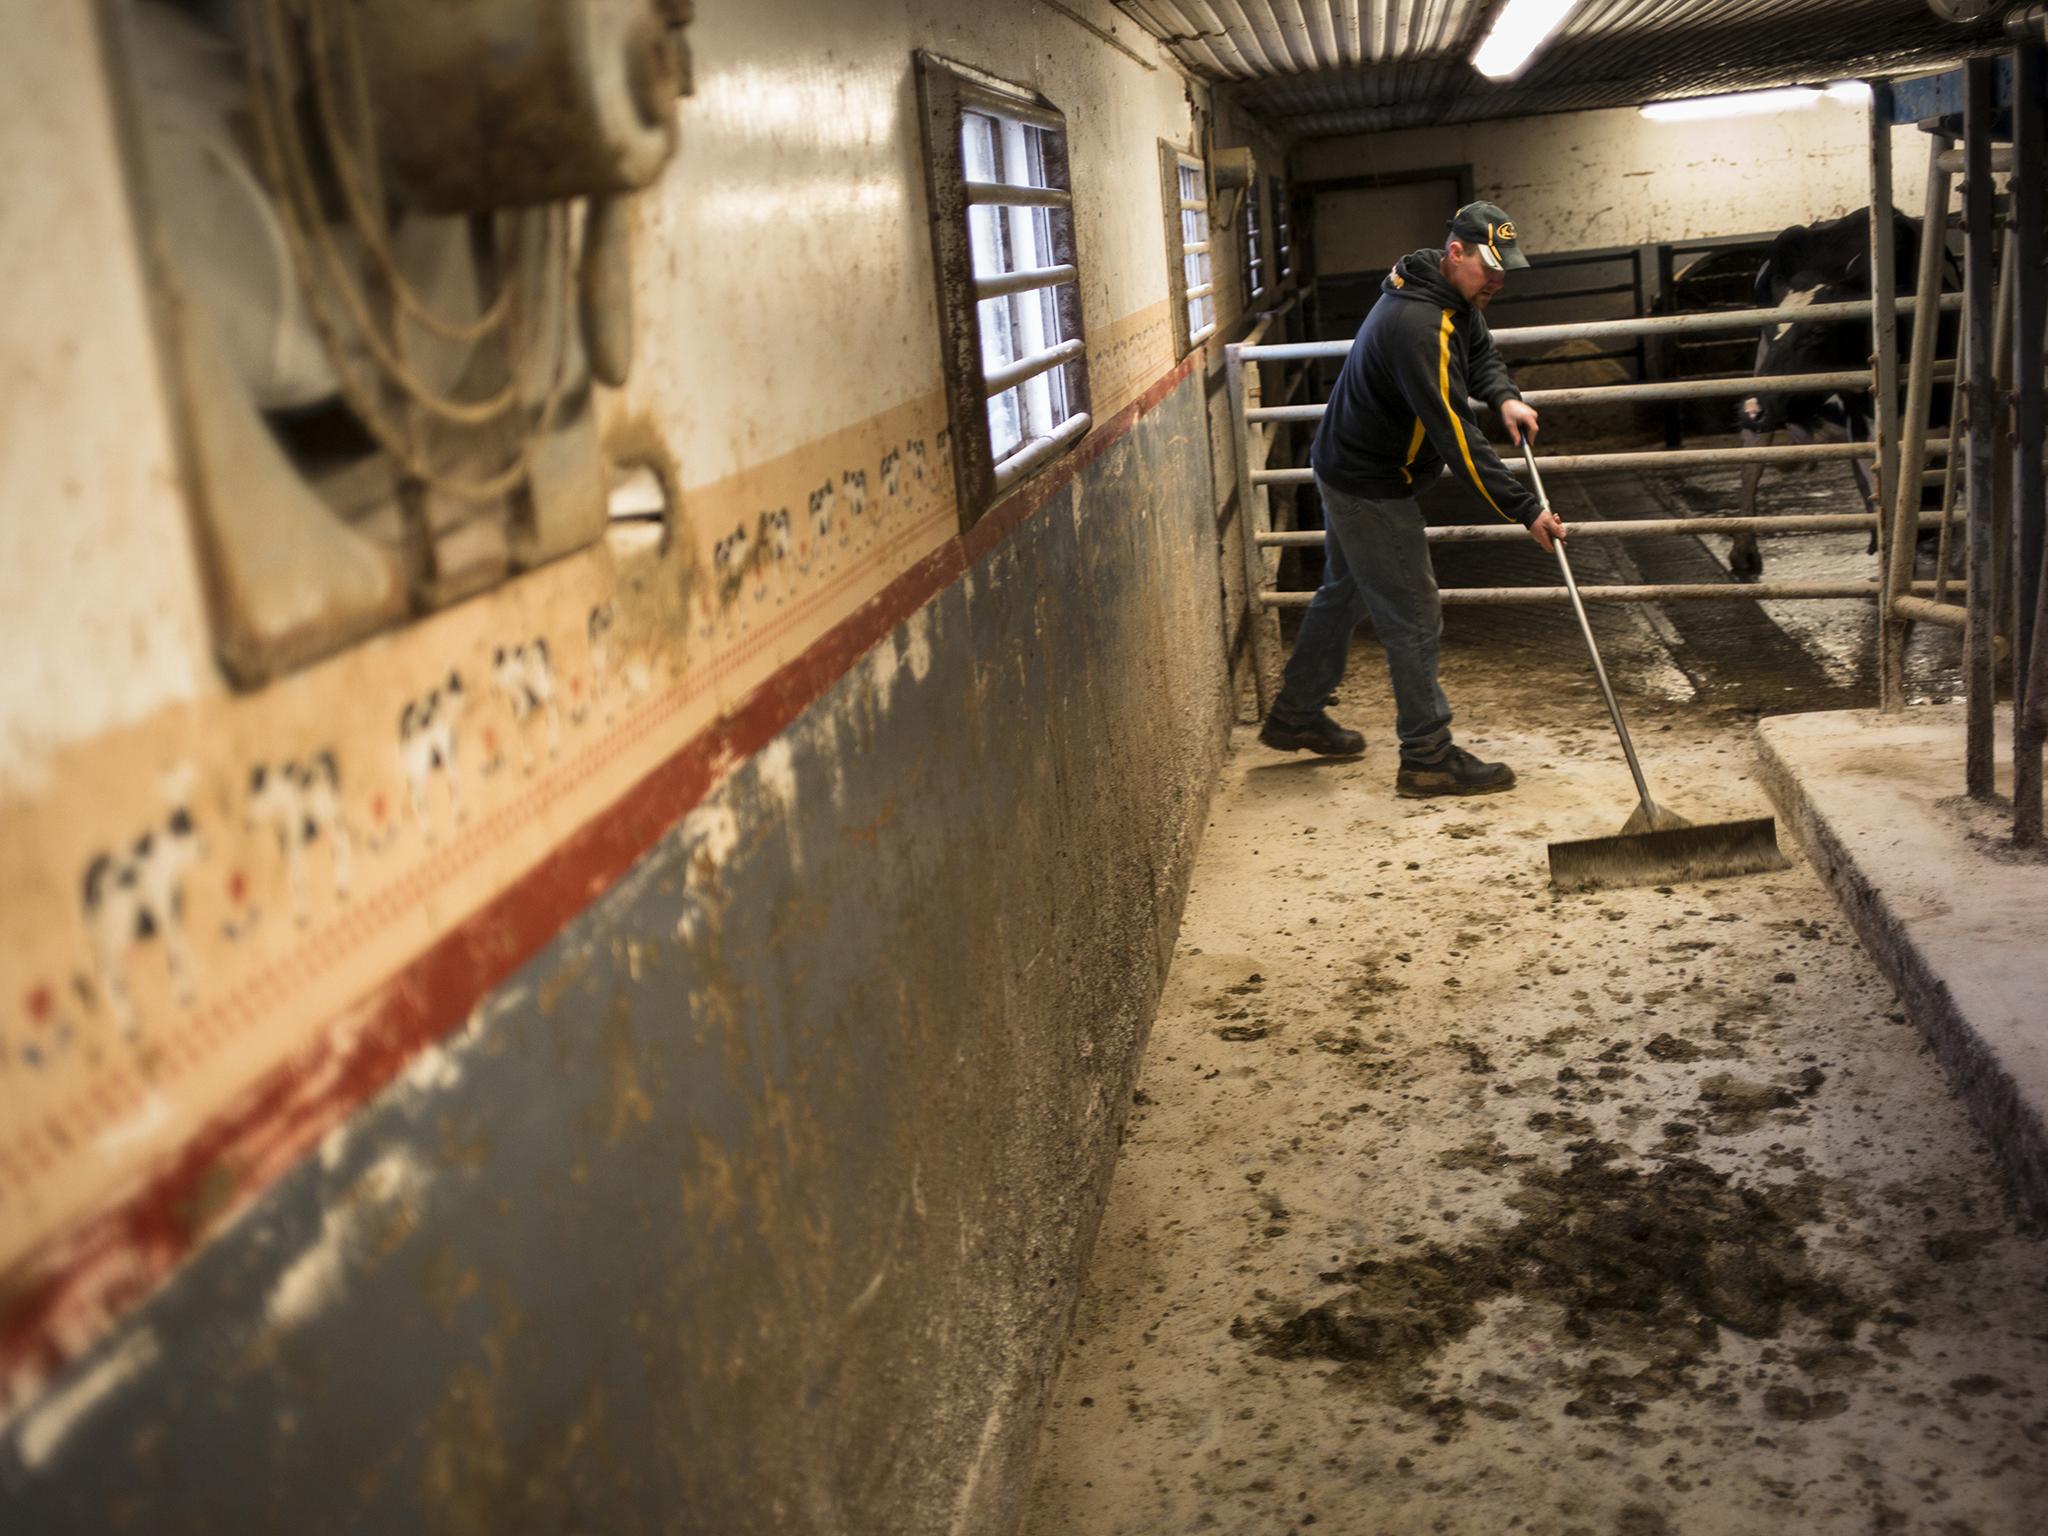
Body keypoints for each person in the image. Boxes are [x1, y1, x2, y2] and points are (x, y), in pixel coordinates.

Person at [1258, 201, 1568, 797]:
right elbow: (1455, 434)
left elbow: (1478, 350)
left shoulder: (1448, 293)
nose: (1498, 281)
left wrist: (1503, 396)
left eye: (1506, 269)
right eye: (1489, 268)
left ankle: (1294, 715)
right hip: (1368, 482)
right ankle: (1427, 755)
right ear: (1456, 252)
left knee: (1344, 592)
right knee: (1414, 613)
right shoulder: (1418, 325)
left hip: (1348, 463)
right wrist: (1525, 508)